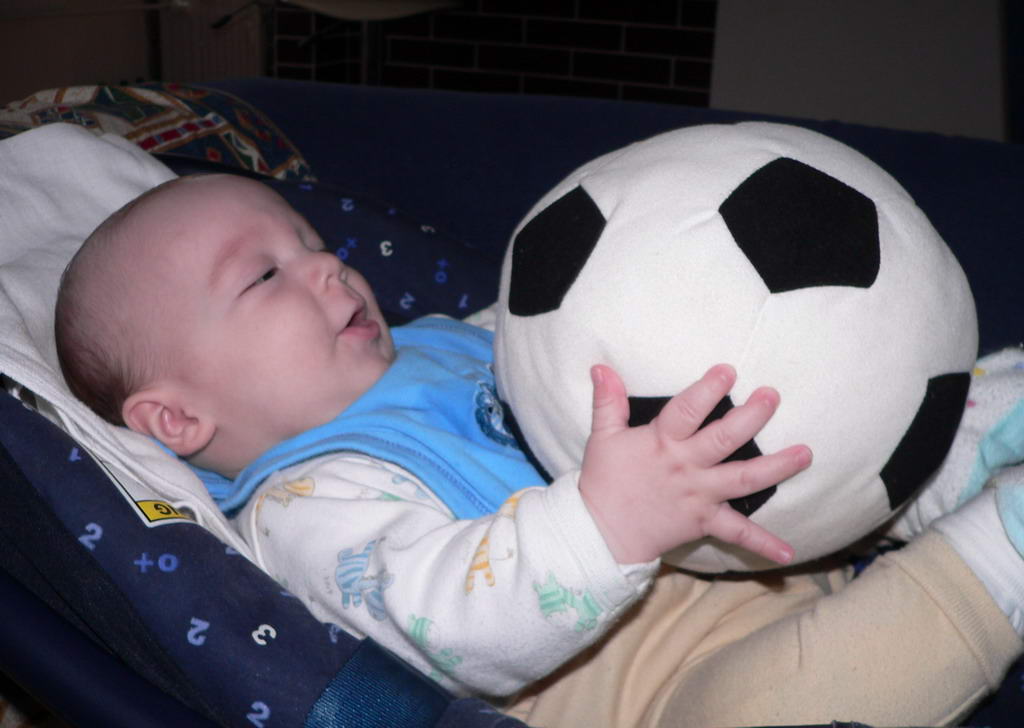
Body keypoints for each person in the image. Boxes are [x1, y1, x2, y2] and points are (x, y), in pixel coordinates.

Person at [55, 173, 1024, 728]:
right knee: (793, 704)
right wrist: (606, 523)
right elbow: (446, 626)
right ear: (176, 420)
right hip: (653, 685)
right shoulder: (304, 509)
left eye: (309, 240)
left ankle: (972, 432)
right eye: (265, 275)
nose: (326, 267)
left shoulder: (443, 339)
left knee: (797, 395)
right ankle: (999, 550)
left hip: (756, 538)